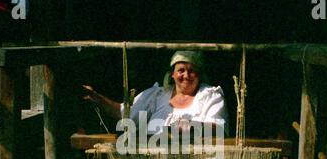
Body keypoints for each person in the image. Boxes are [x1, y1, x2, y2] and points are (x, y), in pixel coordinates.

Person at [82, 50, 228, 135]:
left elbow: (218, 128)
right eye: (181, 70)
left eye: (192, 71)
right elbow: (124, 113)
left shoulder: (210, 96)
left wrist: (191, 126)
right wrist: (98, 98)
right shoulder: (157, 95)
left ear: (199, 74)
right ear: (172, 74)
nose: (186, 75)